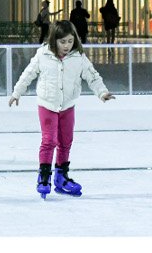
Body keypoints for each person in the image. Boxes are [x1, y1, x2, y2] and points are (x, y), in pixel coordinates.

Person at [9, 20, 115, 199]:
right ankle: (44, 177)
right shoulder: (43, 54)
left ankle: (61, 177)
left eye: (70, 41)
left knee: (66, 141)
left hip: (67, 106)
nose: (67, 45)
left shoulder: (78, 57)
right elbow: (29, 73)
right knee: (49, 140)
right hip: (47, 104)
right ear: (54, 40)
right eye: (62, 42)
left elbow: (92, 75)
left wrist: (102, 92)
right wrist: (17, 92)